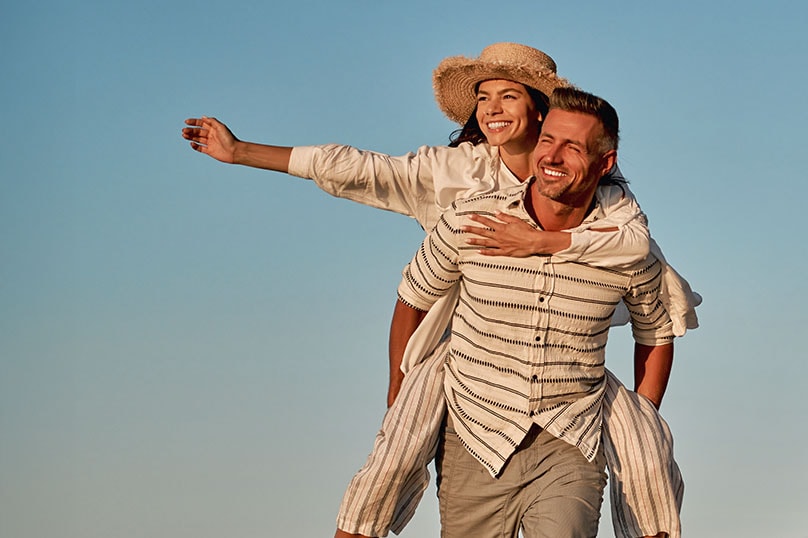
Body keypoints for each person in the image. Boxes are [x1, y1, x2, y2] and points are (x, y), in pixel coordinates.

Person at [182, 43, 696, 538]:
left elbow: (641, 264)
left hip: (567, 398)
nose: (492, 110)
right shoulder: (458, 176)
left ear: (542, 111)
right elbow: (362, 171)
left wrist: (545, 241)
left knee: (645, 448)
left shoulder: (611, 200)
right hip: (468, 361)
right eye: (483, 98)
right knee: (391, 457)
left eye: (509, 96)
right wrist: (242, 151)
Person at [396, 86, 674, 537]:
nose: (554, 156)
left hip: (570, 439)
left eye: (573, 147)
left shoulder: (627, 246)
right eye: (548, 140)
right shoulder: (472, 220)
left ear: (605, 163)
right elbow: (413, 297)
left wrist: (641, 422)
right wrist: (399, 389)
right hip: (475, 432)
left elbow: (657, 331)